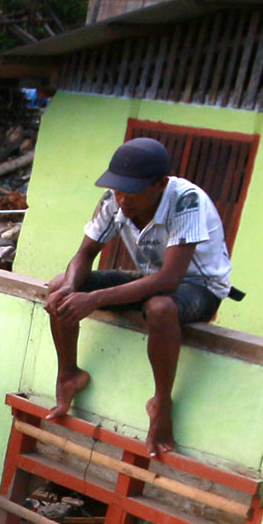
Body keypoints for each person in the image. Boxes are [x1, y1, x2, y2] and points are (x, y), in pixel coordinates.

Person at [38, 135, 232, 451]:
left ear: (160, 184)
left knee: (160, 308)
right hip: (149, 278)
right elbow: (85, 254)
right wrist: (73, 289)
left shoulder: (186, 200)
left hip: (199, 287)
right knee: (59, 286)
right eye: (118, 192)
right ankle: (69, 375)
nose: (123, 201)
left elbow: (170, 279)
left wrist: (95, 298)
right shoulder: (115, 199)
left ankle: (161, 405)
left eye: (133, 194)